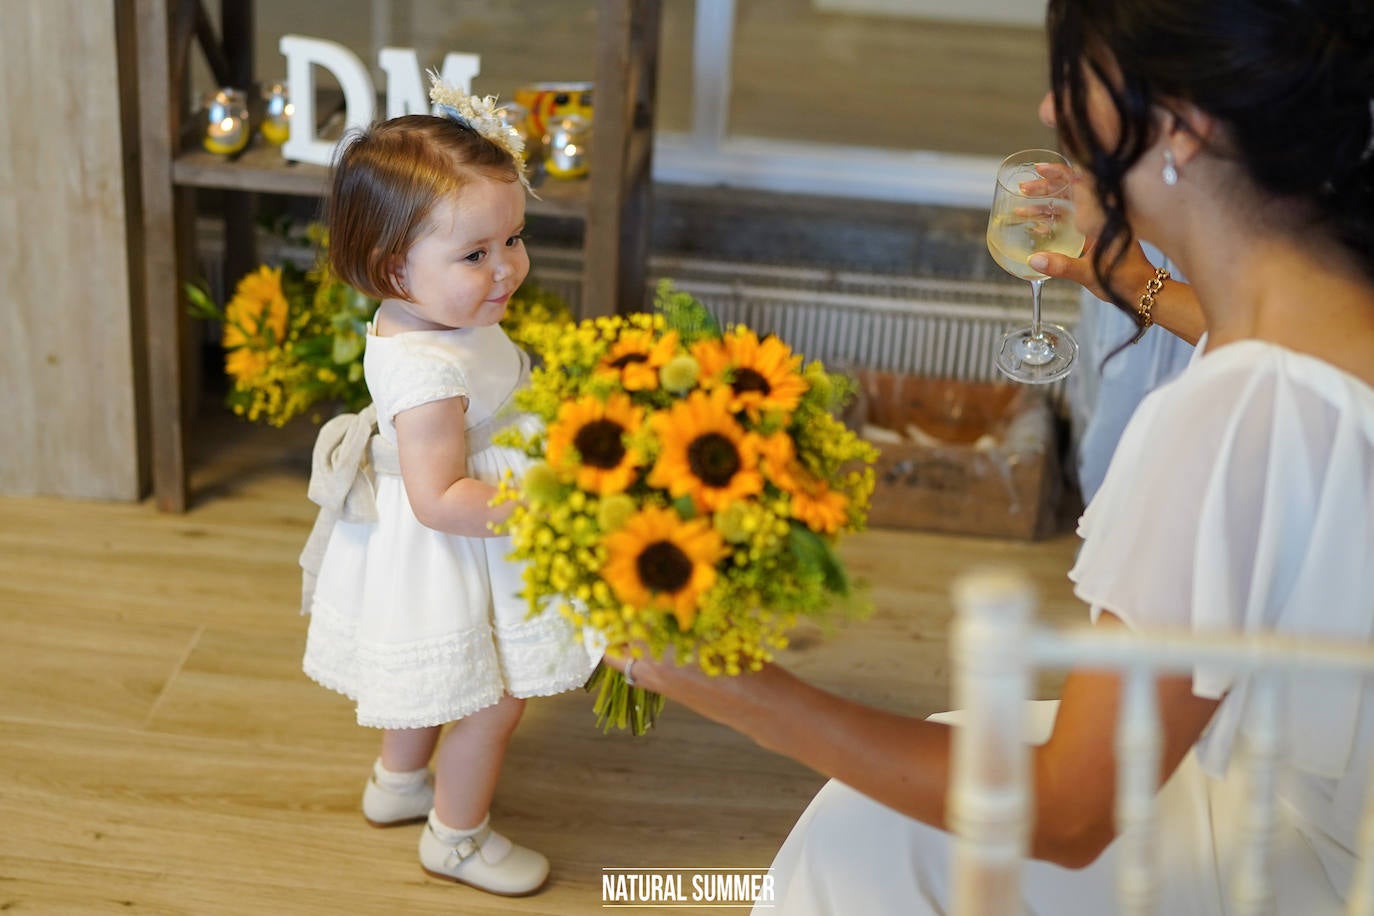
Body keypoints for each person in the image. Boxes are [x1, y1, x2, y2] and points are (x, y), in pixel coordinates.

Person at [607, 0, 1374, 912]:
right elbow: (1267, 359)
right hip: (1336, 789)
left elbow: (1068, 818)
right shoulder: (1325, 312)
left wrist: (734, 690)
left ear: (1180, 126)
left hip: (1299, 855)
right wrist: (1119, 275)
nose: (1053, 113)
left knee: (857, 847)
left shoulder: (1239, 414)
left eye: (1077, 78)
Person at [297, 81, 598, 898]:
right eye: (476, 254)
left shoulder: (438, 313)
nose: (507, 268)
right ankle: (456, 839)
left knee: (435, 680)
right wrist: (557, 513)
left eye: (514, 239)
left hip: (440, 537)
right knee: (489, 699)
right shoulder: (425, 368)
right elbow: (440, 498)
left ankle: (399, 784)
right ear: (395, 268)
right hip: (455, 539)